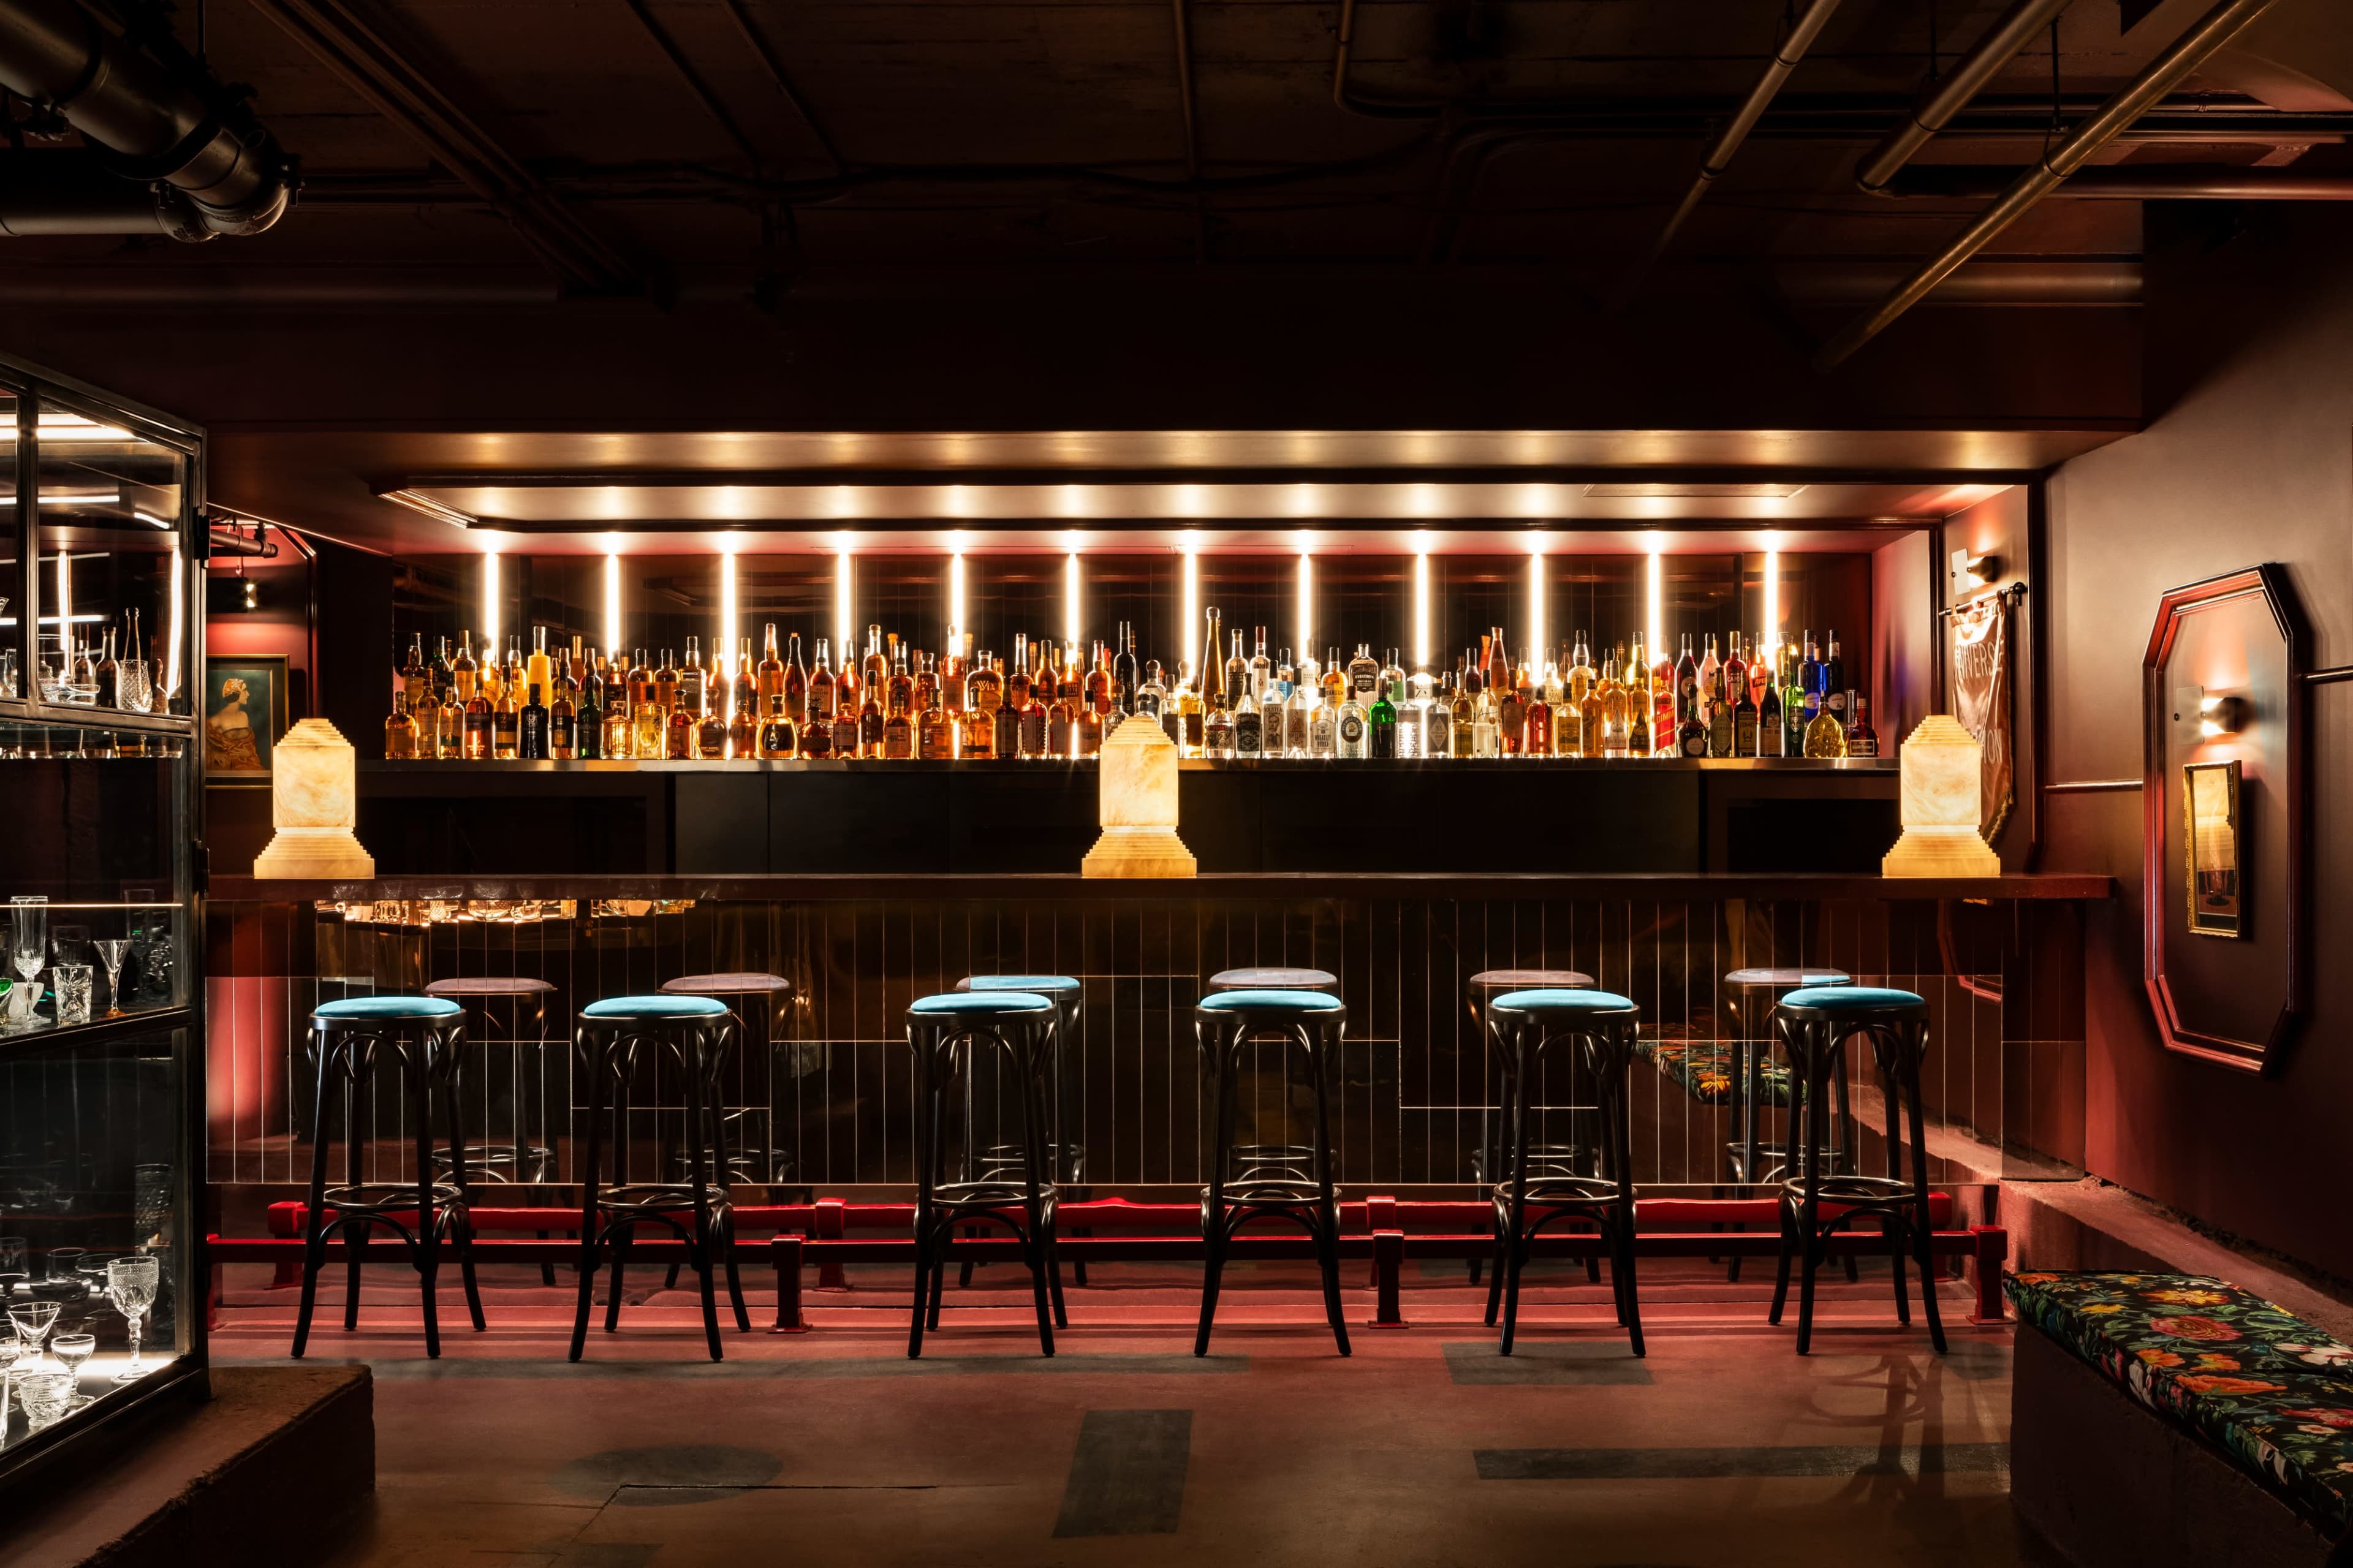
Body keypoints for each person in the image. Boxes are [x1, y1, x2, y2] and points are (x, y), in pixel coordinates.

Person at [207, 676, 263, 772]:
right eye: (245, 691)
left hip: (248, 763)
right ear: (235, 693)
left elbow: (249, 744)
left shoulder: (244, 715)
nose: (248, 694)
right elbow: (201, 741)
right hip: (228, 766)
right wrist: (214, 754)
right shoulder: (218, 718)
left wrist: (249, 753)